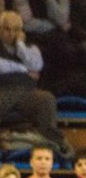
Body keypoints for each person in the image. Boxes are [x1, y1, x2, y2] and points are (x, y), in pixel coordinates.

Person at [0, 11, 73, 158]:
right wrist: (23, 69)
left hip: (26, 92)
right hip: (3, 89)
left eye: (16, 29)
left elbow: (37, 65)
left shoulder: (30, 47)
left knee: (45, 99)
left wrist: (20, 45)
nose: (11, 33)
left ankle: (55, 141)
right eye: (7, 29)